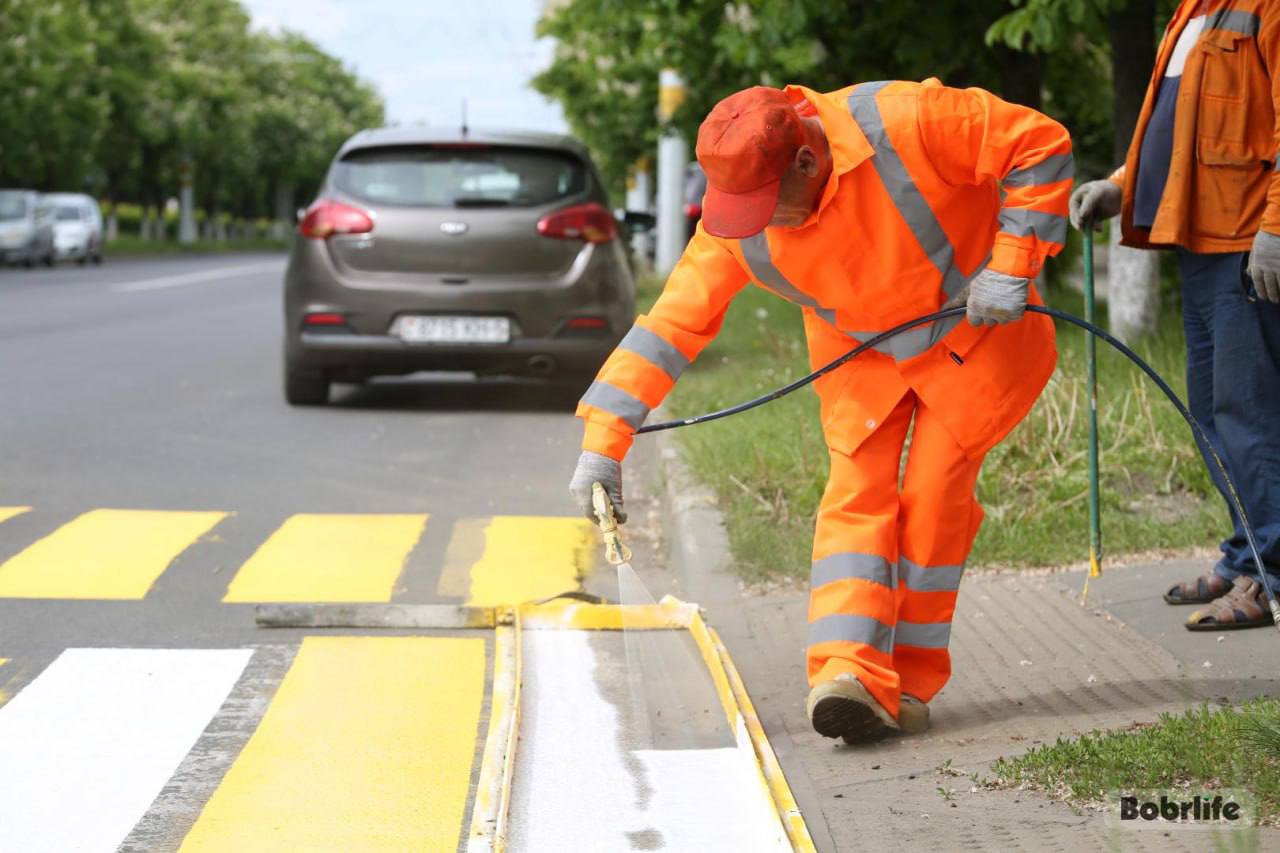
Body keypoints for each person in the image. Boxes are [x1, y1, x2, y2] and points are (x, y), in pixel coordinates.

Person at [568, 79, 1073, 743]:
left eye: (764, 205)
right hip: (861, 357)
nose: (753, 223)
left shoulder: (905, 121)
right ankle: (849, 674)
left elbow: (1039, 144)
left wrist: (1013, 262)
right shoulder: (735, 226)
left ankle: (909, 682)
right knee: (856, 495)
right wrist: (604, 441)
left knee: (930, 495)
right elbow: (669, 326)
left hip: (973, 335)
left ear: (807, 161)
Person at [1071, 0, 1280, 631]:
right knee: (1212, 414)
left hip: (1245, 241)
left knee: (1250, 416)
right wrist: (1123, 183)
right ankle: (1249, 551)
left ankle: (1270, 577)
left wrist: (1277, 226)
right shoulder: (1194, 11)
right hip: (1201, 241)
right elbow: (1180, 130)